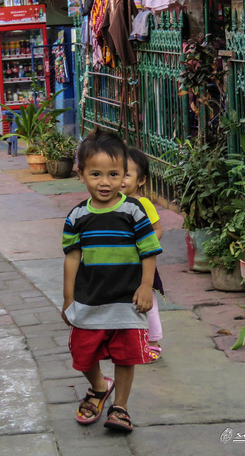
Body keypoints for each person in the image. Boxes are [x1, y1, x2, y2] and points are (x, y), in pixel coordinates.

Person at [61, 129, 162, 433]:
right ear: (81, 175)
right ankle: (98, 387)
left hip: (126, 300)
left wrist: (146, 287)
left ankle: (121, 406)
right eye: (96, 174)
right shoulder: (77, 217)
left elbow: (149, 251)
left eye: (113, 174)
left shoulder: (134, 212)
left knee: (125, 354)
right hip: (89, 298)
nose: (105, 182)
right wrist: (68, 298)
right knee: (82, 353)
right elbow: (72, 258)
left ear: (124, 176)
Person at [121, 149, 165, 362]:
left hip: (141, 264)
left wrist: (143, 246)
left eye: (127, 175)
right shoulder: (110, 203)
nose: (120, 179)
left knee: (147, 302)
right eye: (115, 173)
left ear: (141, 180)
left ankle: (153, 341)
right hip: (118, 264)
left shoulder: (143, 203)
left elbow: (157, 230)